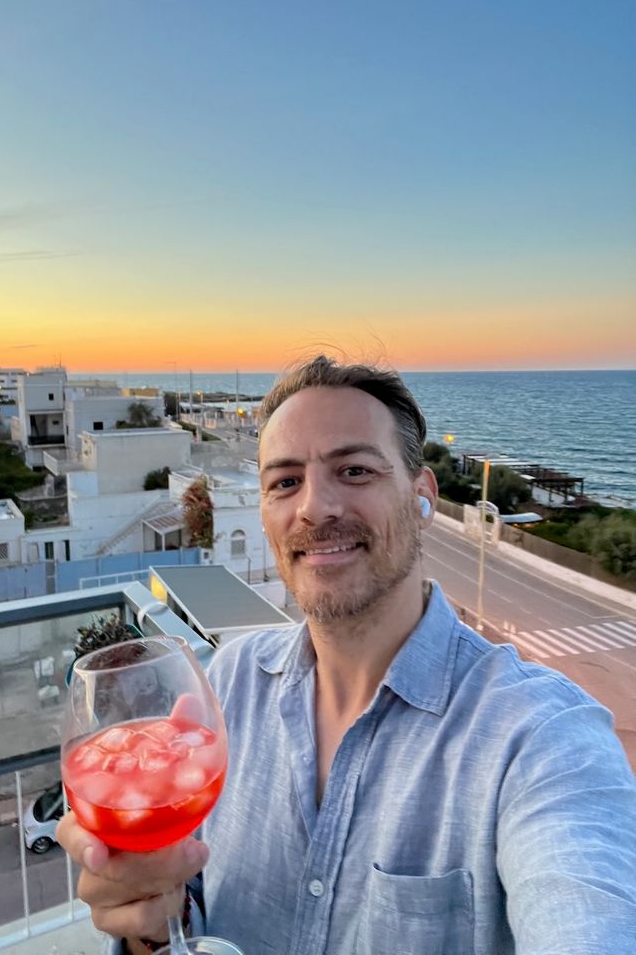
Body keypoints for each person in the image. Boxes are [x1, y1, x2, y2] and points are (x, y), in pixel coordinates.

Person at [58, 354, 636, 954]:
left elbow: (586, 906)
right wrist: (151, 924)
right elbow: (187, 892)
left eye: (355, 471)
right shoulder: (228, 683)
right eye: (285, 482)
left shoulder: (540, 739)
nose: (315, 507)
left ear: (422, 496)